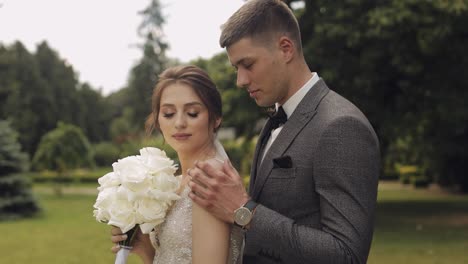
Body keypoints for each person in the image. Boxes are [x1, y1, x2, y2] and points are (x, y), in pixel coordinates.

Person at [187, 0, 380, 263]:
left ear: (285, 48)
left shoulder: (341, 126)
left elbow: (347, 255)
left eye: (248, 64)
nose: (240, 80)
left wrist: (244, 211)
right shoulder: (275, 120)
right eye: (236, 68)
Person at [110, 65, 243, 264]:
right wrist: (146, 249)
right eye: (169, 114)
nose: (179, 123)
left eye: (192, 113)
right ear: (158, 120)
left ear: (215, 118)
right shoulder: (176, 181)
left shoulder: (210, 179)